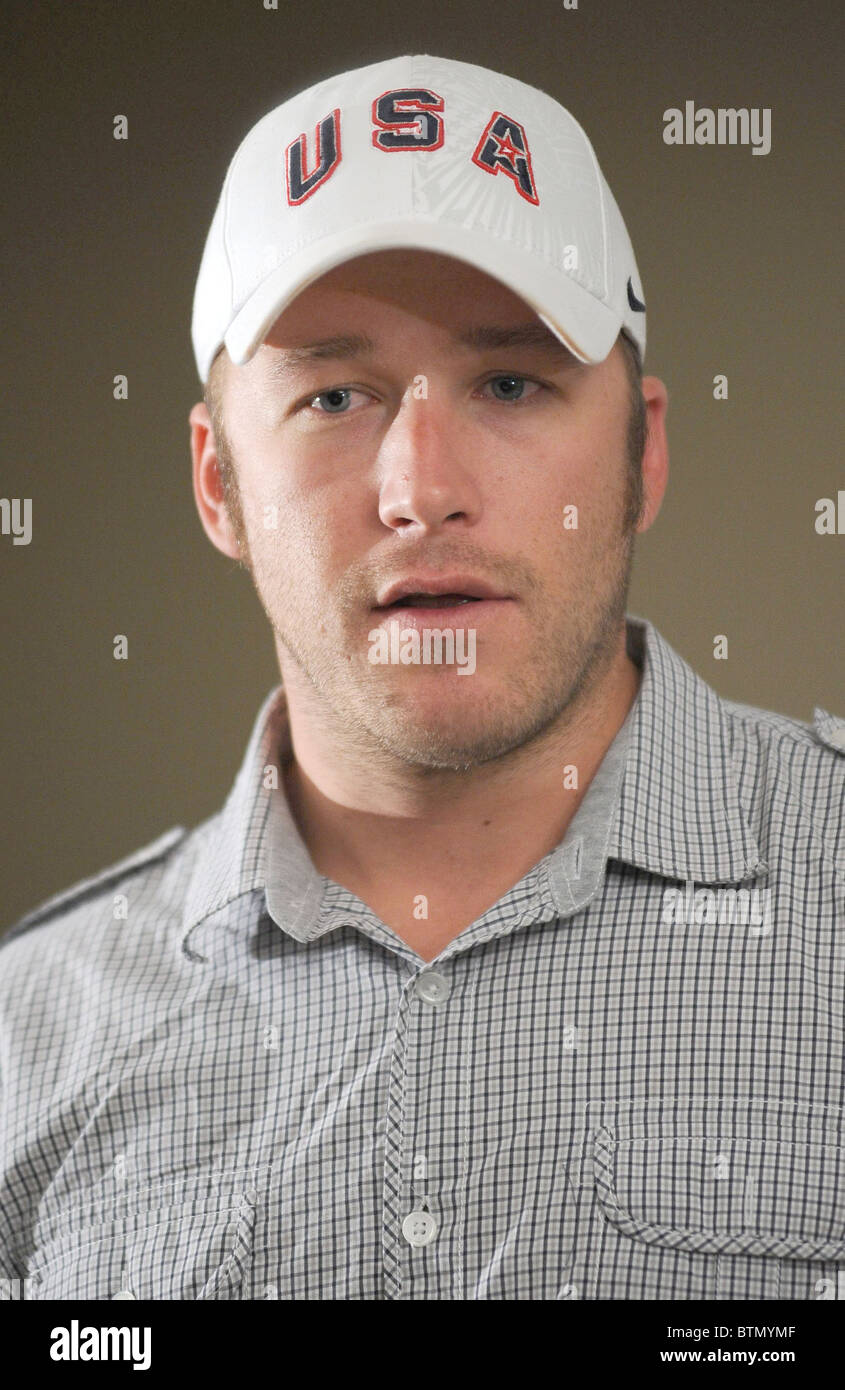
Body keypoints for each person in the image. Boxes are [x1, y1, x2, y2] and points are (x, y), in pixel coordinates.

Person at [1, 54, 843, 1303]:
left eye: (511, 382)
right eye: (334, 394)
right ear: (218, 482)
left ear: (641, 453)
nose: (418, 487)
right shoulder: (26, 1042)